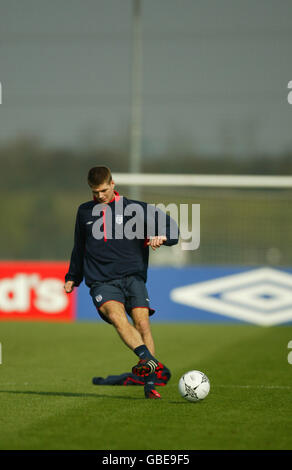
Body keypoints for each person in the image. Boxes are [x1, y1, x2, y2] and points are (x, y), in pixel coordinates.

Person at [64, 166, 179, 399]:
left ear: (113, 184)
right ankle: (151, 363)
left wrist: (162, 237)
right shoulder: (84, 211)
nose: (99, 196)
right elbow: (79, 247)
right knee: (118, 318)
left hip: (133, 277)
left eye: (104, 190)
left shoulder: (136, 209)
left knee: (142, 323)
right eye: (95, 191)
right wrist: (72, 277)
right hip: (101, 280)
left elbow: (173, 230)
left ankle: (149, 384)